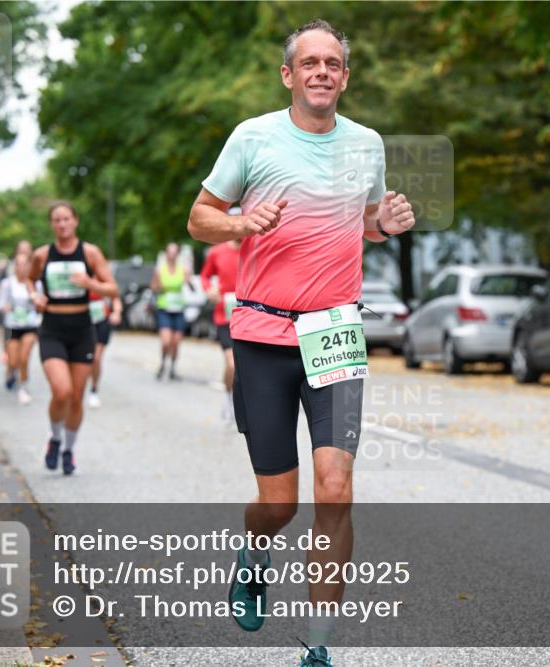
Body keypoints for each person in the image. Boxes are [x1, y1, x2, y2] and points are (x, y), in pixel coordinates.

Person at [187, 19, 415, 666]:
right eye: (309, 62)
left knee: (336, 487)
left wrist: (385, 223)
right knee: (279, 502)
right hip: (261, 334)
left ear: (345, 75)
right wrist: (238, 222)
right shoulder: (253, 137)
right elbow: (198, 217)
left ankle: (318, 646)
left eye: (333, 63)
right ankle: (253, 552)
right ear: (289, 75)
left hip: (335, 332)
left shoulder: (367, 144)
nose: (322, 71)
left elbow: (365, 221)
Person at [28, 201, 118, 475]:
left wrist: (92, 284)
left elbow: (112, 288)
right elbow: (30, 280)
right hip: (52, 328)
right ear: (51, 224)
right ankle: (54, 439)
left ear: (75, 221)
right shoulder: (42, 255)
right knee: (62, 391)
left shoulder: (89, 253)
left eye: (66, 219)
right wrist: (35, 296)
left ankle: (68, 449)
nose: (62, 224)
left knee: (76, 398)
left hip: (82, 329)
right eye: (56, 220)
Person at [200, 232, 241, 426]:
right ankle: (228, 398)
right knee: (232, 364)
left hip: (251, 316)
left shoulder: (256, 247)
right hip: (224, 315)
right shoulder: (217, 252)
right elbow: (205, 276)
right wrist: (209, 290)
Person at [0, 253, 41, 405]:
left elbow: (41, 303)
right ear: (14, 266)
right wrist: (5, 307)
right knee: (13, 360)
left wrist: (37, 302)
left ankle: (23, 387)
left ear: (30, 266)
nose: (22, 267)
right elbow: (1, 303)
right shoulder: (7, 284)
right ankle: (11, 372)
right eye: (18, 264)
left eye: (25, 264)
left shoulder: (36, 284)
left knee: (24, 357)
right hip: (12, 326)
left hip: (30, 326)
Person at [150, 242, 189, 380]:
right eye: (169, 252)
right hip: (164, 308)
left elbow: (189, 285)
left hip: (178, 308)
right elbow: (153, 288)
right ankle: (162, 364)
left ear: (177, 254)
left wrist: (188, 280)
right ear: (166, 254)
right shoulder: (160, 270)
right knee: (166, 341)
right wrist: (158, 285)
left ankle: (172, 368)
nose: (172, 255)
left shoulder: (182, 269)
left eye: (174, 252)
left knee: (176, 342)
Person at [87, 289, 123, 408]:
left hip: (102, 320)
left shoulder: (103, 277)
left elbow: (115, 297)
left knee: (96, 358)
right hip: (84, 322)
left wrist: (117, 312)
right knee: (84, 358)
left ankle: (94, 389)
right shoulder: (80, 273)